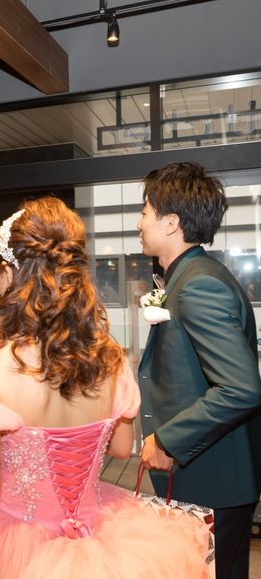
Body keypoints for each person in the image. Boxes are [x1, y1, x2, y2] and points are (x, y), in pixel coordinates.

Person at [0, 198, 209, 578]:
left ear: (7, 273)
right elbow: (120, 448)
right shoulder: (108, 355)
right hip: (99, 538)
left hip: (12, 543)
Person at [137, 162, 261, 579]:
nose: (139, 223)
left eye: (145, 212)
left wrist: (167, 439)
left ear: (171, 223)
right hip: (213, 478)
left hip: (212, 481)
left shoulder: (198, 284)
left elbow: (241, 388)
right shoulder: (189, 277)